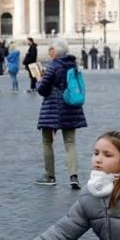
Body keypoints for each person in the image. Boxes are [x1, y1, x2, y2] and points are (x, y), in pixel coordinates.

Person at [35, 39, 87, 189]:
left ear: (56, 51)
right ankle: (74, 176)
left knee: (47, 141)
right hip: (70, 106)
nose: (49, 51)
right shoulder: (73, 65)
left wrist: (39, 79)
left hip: (53, 107)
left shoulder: (53, 66)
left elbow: (42, 90)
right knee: (70, 143)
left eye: (51, 48)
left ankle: (50, 176)